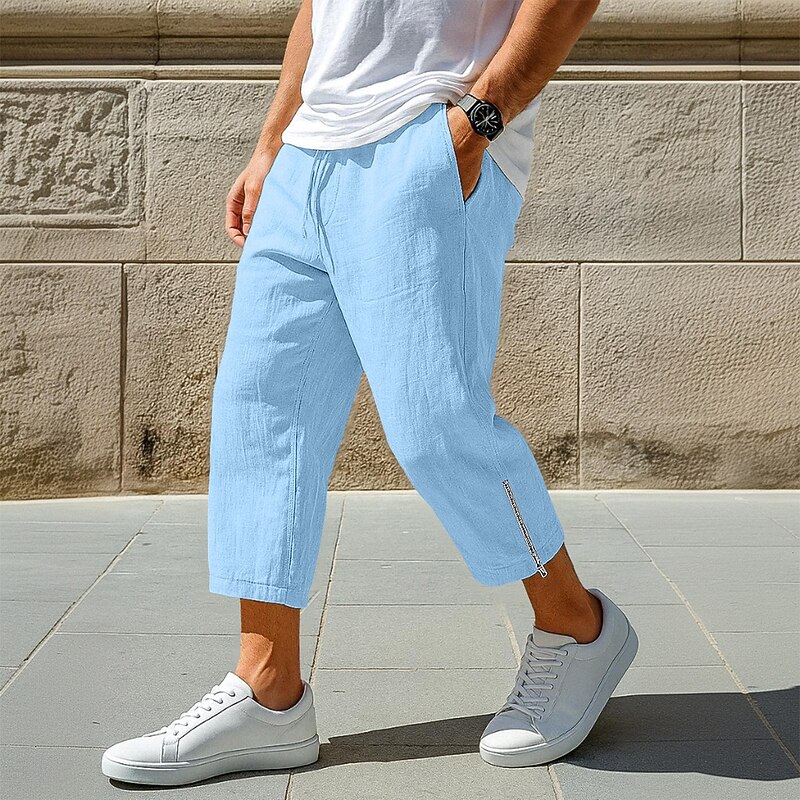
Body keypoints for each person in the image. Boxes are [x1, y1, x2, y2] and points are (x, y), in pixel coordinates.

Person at [101, 0, 638, 785]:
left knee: (436, 423)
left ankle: (576, 626)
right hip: (306, 155)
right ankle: (268, 691)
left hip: (428, 136)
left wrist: (477, 122)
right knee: (260, 417)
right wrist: (272, 142)